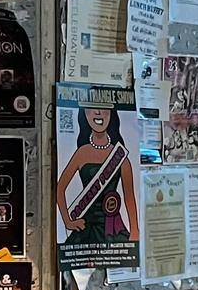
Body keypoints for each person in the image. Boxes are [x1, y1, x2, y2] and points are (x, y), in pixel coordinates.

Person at [54, 105, 139, 247]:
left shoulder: (120, 156)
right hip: (85, 229)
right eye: (91, 109)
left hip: (113, 229)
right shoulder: (81, 153)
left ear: (111, 115)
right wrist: (68, 221)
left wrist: (135, 230)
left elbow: (129, 197)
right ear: (84, 115)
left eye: (104, 108)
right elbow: (60, 188)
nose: (98, 112)